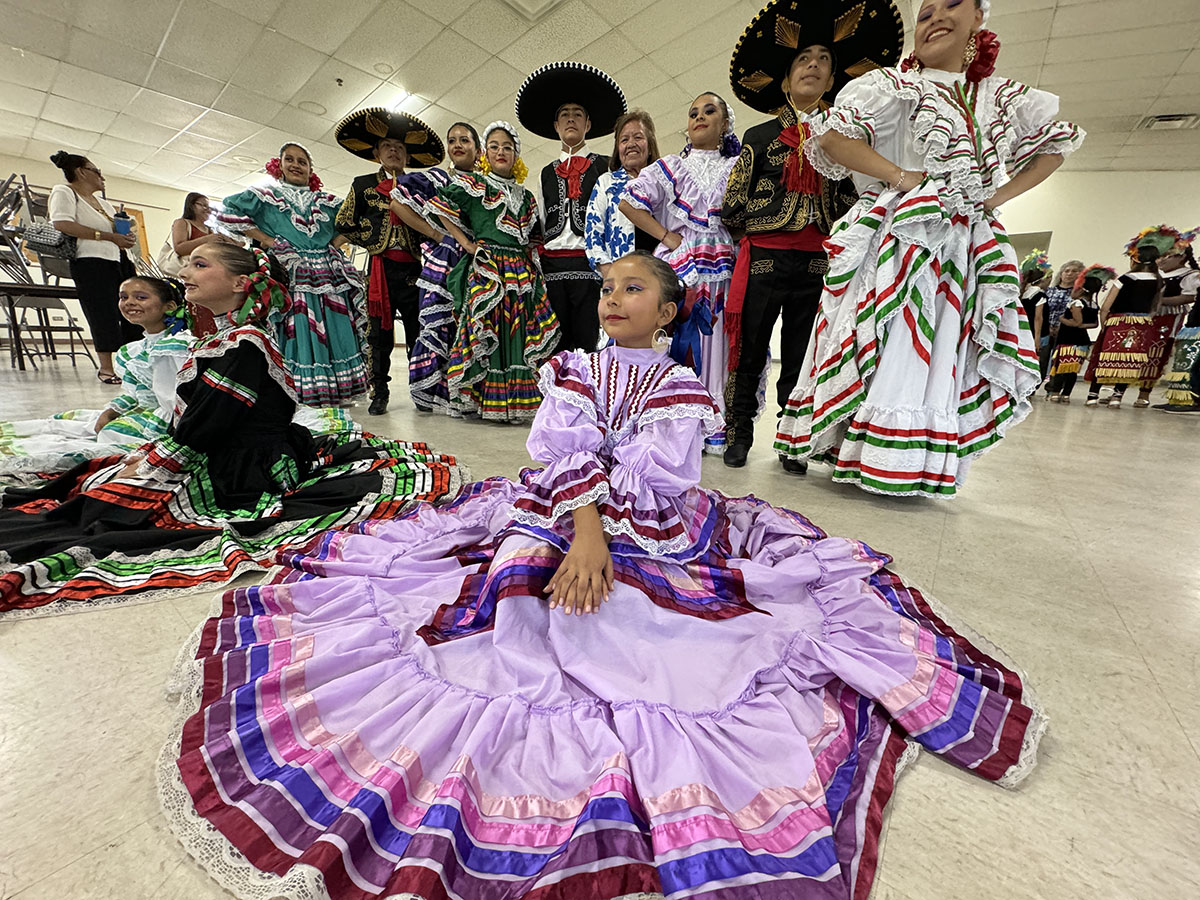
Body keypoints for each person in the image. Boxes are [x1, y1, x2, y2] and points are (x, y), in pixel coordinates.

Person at [161, 251, 1044, 900]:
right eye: (609, 287)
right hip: (560, 503)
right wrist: (582, 527)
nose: (614, 298)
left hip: (654, 522)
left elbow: (660, 478)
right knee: (517, 576)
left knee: (635, 613)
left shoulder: (682, 386)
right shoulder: (572, 369)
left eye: (635, 289)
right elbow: (560, 450)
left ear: (668, 313)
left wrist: (607, 531)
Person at [0, 243, 465, 618]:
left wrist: (166, 454)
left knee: (112, 505)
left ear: (240, 283)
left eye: (200, 264)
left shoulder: (246, 342)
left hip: (245, 463)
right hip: (217, 443)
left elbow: (209, 423)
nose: (187, 271)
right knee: (95, 486)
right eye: (187, 264)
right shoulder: (220, 337)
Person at [775, 0, 1083, 498]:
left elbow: (1054, 147)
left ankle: (905, 456)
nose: (936, 17)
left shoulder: (1002, 97)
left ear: (979, 19)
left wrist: (991, 199)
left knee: (939, 342)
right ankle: (849, 445)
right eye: (925, 13)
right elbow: (831, 137)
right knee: (880, 330)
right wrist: (900, 177)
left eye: (951, 5)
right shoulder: (893, 87)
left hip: (961, 243)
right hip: (897, 230)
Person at [722, 0, 902, 470]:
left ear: (833, 79)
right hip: (765, 256)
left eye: (824, 60)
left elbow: (856, 196)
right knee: (752, 350)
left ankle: (792, 439)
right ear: (786, 78)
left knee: (803, 355)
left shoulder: (848, 139)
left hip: (821, 260)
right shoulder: (759, 136)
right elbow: (733, 204)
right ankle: (739, 431)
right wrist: (762, 227)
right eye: (804, 58)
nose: (814, 65)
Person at [619, 92, 742, 453]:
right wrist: (668, 236)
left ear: (725, 124)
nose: (699, 117)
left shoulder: (737, 167)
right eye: (693, 113)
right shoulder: (670, 166)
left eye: (709, 111)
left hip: (722, 266)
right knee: (674, 337)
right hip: (680, 266)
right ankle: (669, 421)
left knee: (715, 340)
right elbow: (630, 202)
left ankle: (708, 424)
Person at [426, 121, 560, 421]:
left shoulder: (526, 197)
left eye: (508, 147)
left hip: (520, 272)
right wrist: (467, 244)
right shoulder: (475, 185)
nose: (501, 151)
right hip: (488, 268)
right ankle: (488, 400)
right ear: (485, 153)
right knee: (489, 329)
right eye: (495, 146)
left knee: (518, 332)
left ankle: (516, 402)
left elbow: (532, 238)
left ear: (516, 156)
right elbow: (439, 206)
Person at [219, 143, 367, 407]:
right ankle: (302, 391)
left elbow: (362, 218)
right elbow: (229, 212)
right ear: (279, 165)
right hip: (291, 269)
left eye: (302, 161)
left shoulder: (328, 201)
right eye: (290, 160)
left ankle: (339, 390)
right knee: (297, 325)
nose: (296, 165)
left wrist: (335, 243)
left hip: (328, 270)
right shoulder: (266, 196)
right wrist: (267, 240)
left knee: (337, 324)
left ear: (311, 169)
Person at [0, 276, 191, 475]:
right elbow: (134, 393)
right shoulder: (133, 350)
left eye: (141, 297)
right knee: (72, 422)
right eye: (123, 297)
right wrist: (110, 412)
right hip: (146, 411)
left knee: (109, 436)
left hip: (168, 418)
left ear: (169, 306)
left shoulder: (176, 345)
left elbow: (176, 398)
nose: (129, 302)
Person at [334, 108, 445, 415]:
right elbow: (344, 223)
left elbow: (436, 220)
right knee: (379, 335)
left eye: (399, 148)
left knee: (418, 331)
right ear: (376, 153)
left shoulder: (419, 185)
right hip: (379, 270)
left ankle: (422, 390)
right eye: (387, 147)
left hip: (413, 269)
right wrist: (370, 241)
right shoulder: (362, 183)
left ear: (406, 155)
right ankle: (379, 391)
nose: (394, 151)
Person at [516, 61, 627, 352]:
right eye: (564, 115)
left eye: (578, 114)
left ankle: (586, 394)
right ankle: (559, 395)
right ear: (555, 126)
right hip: (553, 264)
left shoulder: (604, 165)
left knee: (588, 337)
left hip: (589, 262)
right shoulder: (544, 172)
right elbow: (540, 220)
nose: (571, 119)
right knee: (556, 340)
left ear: (588, 124)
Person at [389, 122, 483, 415]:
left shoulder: (486, 185)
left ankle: (470, 392)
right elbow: (396, 204)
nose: (458, 145)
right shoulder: (437, 179)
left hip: (478, 262)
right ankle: (436, 392)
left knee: (473, 324)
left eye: (464, 140)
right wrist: (435, 234)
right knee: (440, 323)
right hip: (444, 261)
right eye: (452, 140)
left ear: (478, 150)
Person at [47, 150, 141, 383]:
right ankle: (107, 368)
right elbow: (62, 223)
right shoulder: (65, 191)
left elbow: (116, 233)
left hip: (119, 260)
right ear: (81, 171)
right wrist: (108, 238)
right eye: (97, 171)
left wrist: (125, 238)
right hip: (90, 261)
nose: (102, 177)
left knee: (132, 310)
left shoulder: (104, 204)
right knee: (102, 313)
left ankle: (134, 363)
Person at [1084, 227, 1190, 408]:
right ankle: (1117, 397)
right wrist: (1146, 319)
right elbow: (1155, 306)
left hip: (1118, 321)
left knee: (1106, 356)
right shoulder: (1159, 280)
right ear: (1157, 259)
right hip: (1142, 323)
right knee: (1130, 359)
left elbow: (1106, 305)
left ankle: (1093, 395)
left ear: (1137, 258)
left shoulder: (1125, 278)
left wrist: (1104, 324)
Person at [584, 109, 662, 275]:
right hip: (620, 278)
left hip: (660, 276)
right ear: (618, 150)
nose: (631, 143)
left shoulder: (664, 183)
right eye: (624, 139)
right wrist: (610, 274)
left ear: (649, 147)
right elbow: (593, 234)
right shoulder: (606, 183)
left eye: (638, 137)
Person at [168, 192, 235, 337]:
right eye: (202, 205)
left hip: (210, 279)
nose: (207, 209)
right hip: (195, 278)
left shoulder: (211, 229)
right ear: (191, 205)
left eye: (208, 206)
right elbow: (179, 248)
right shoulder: (182, 223)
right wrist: (208, 239)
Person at [1044, 265, 1113, 403]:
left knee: (1061, 367)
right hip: (1082, 340)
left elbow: (1076, 322)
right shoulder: (1093, 305)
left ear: (1081, 289)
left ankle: (1056, 392)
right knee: (1072, 369)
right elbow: (1095, 324)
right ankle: (1066, 394)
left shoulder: (1077, 303)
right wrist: (1083, 326)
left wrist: (1062, 318)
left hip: (1068, 339)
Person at [1157, 237, 1200, 413]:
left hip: (1189, 323)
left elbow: (1189, 296)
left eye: (1169, 255)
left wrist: (1161, 301)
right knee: (1184, 363)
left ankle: (1192, 400)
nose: (1163, 259)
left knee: (1194, 363)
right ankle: (1179, 398)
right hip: (1194, 322)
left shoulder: (1192, 276)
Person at [1035, 258, 1084, 390]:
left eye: (1074, 271)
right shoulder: (1049, 291)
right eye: (1066, 271)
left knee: (1059, 362)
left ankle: (1054, 388)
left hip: (1066, 332)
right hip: (1046, 330)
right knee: (1042, 360)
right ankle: (1033, 386)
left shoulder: (1079, 295)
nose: (1069, 274)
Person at [1018, 248, 1052, 362]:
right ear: (1043, 280)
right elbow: (1038, 318)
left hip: (1024, 333)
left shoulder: (1024, 294)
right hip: (1039, 335)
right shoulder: (1040, 295)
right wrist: (1037, 339)